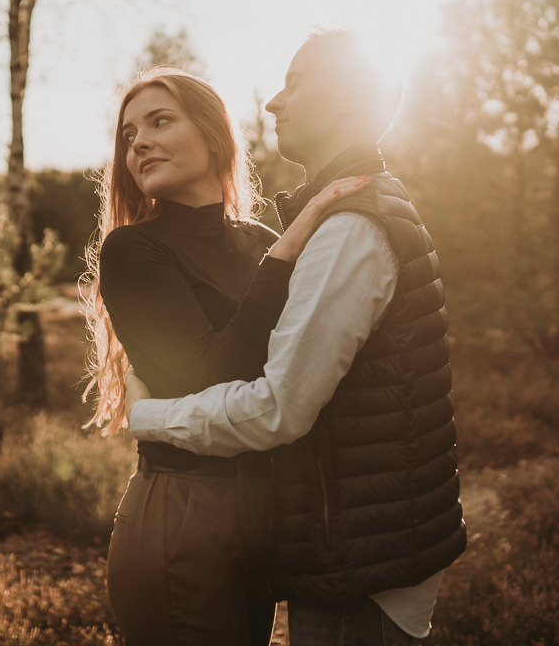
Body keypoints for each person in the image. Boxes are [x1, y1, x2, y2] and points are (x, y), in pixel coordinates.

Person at [126, 30, 467, 646]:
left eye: (295, 83)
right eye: (130, 134)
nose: (273, 103)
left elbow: (278, 408)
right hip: (355, 537)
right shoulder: (356, 212)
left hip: (359, 554)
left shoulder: (348, 228)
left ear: (344, 99)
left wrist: (148, 416)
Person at [81, 67, 368, 646]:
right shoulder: (134, 250)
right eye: (128, 133)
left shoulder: (260, 241)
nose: (138, 141)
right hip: (180, 518)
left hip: (264, 516)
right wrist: (293, 243)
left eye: (160, 121)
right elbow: (210, 378)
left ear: (213, 135)